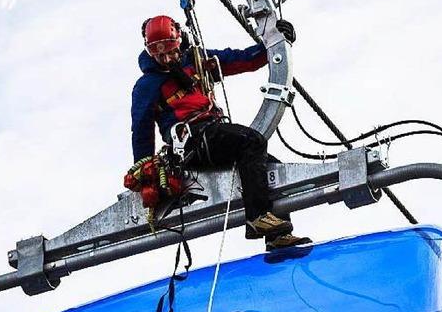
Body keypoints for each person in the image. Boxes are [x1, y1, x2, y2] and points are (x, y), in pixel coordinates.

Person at [130, 14, 311, 249]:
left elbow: (242, 59)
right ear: (150, 52)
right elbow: (141, 128)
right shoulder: (147, 84)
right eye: (159, 55)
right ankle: (257, 218)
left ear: (179, 41)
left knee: (268, 166)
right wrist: (144, 169)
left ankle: (277, 237)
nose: (166, 59)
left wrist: (275, 44)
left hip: (211, 134)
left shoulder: (196, 60)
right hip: (192, 142)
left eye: (170, 51)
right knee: (251, 141)